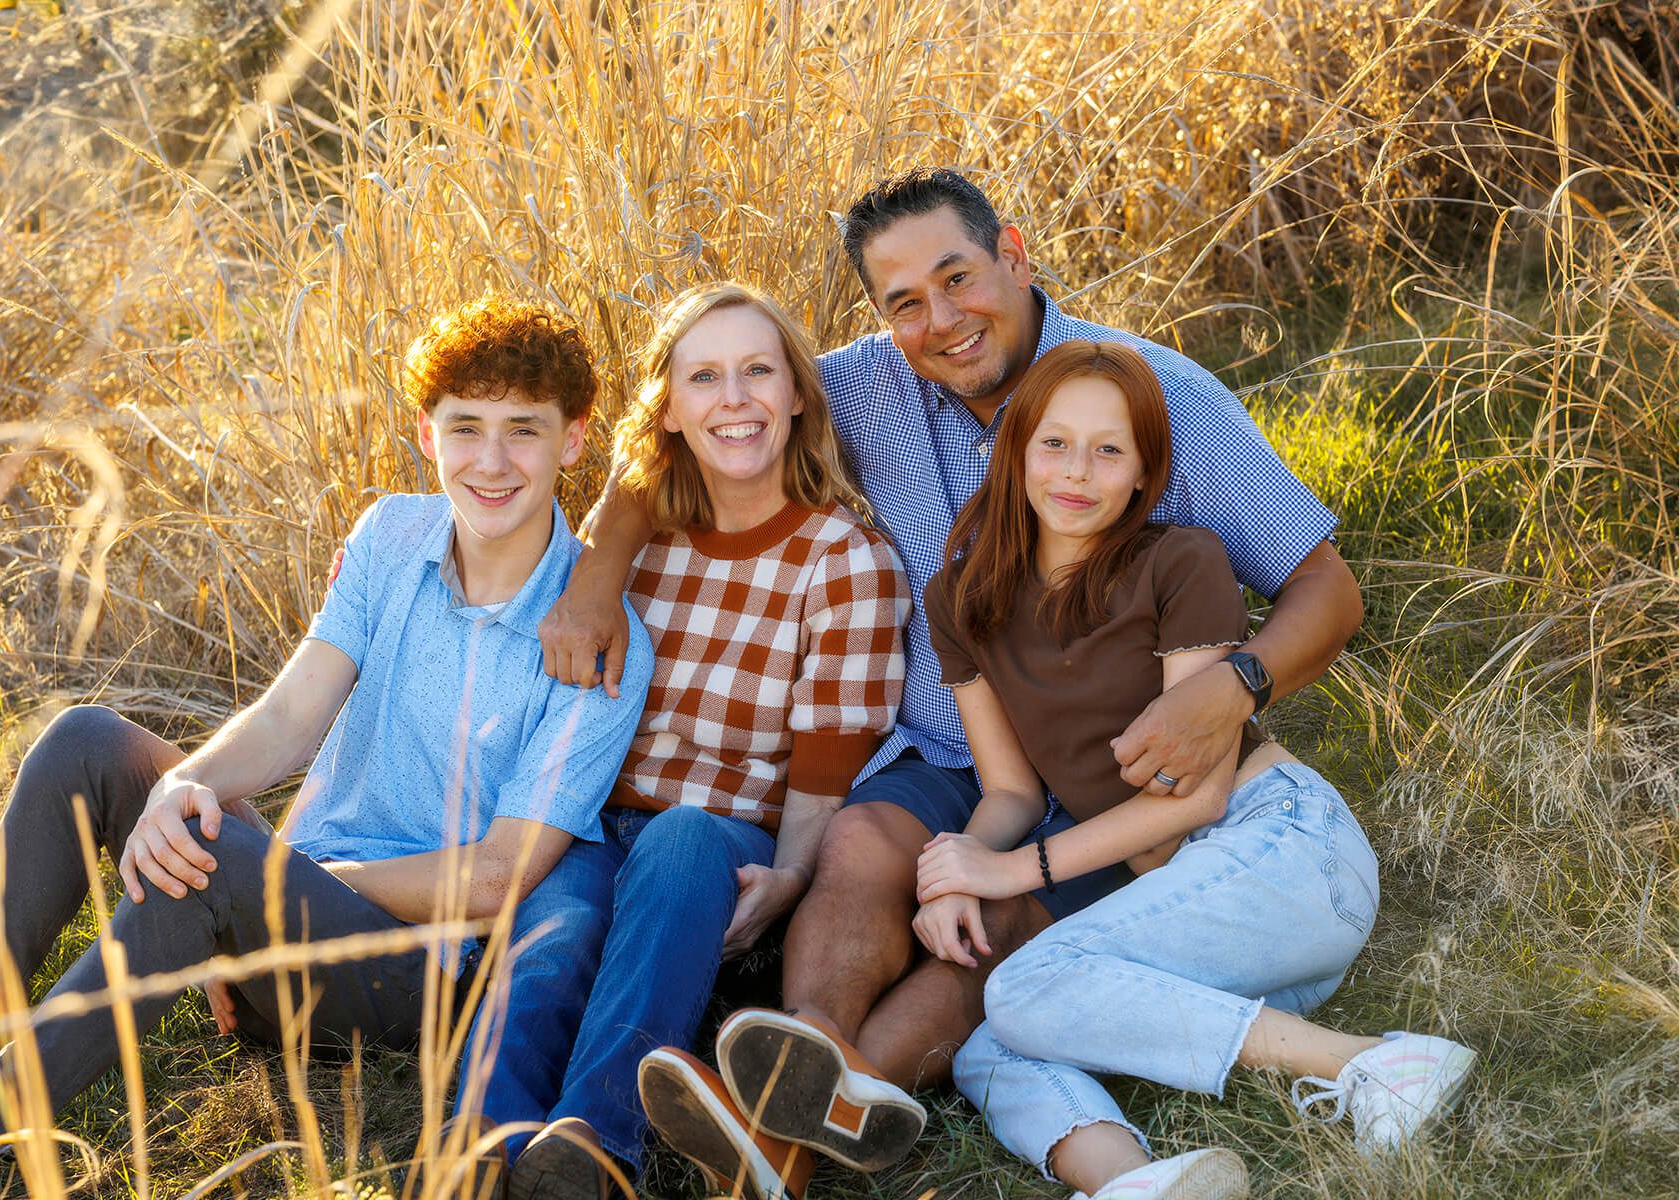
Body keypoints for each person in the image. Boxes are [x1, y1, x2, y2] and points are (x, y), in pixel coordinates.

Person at [545, 167, 1365, 1185]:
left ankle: (782, 1142)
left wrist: (1234, 682)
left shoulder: (1146, 396)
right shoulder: (856, 386)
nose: (942, 320)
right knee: (862, 840)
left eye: (960, 278)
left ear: (1014, 255)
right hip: (955, 746)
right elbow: (691, 427)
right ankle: (805, 1051)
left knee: (999, 921)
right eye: (904, 302)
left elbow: (1326, 590)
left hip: (1111, 768)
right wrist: (597, 573)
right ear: (880, 314)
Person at [0, 299, 651, 1194]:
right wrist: (185, 790)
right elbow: (288, 721)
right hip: (289, 890)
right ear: (426, 432)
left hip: (418, 970)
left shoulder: (600, 643)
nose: (490, 460)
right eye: (465, 427)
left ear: (576, 441)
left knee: (205, 858)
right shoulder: (392, 535)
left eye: (524, 431)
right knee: (89, 740)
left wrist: (274, 880)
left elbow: (496, 878)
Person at [919, 340, 1475, 1199]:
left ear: (1144, 473)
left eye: (1109, 450)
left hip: (1283, 850)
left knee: (1026, 985)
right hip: (1202, 924)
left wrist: (1012, 870)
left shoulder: (1180, 563)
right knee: (992, 1043)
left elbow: (1199, 790)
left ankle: (1379, 1065)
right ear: (1014, 450)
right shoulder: (960, 599)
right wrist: (957, 872)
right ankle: (1136, 1183)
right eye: (1054, 443)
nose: (1077, 472)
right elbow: (1012, 791)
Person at [452, 282, 907, 1200]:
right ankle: (476, 1151)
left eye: (756, 373)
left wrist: (791, 877)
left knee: (681, 835)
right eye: (704, 377)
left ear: (795, 397)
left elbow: (826, 767)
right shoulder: (634, 538)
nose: (733, 399)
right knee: (557, 933)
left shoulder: (846, 559)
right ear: (671, 408)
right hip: (594, 820)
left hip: (721, 842)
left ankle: (592, 1146)